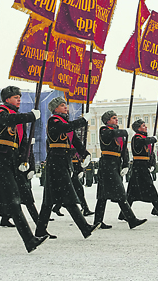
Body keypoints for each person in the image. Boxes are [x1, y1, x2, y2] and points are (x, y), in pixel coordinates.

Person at [0, 86, 48, 252]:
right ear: (7, 99)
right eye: (16, 97)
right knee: (14, 200)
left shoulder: (16, 118)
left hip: (8, 161)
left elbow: (20, 143)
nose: (19, 100)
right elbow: (8, 120)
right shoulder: (1, 111)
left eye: (20, 97)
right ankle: (29, 240)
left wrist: (24, 160)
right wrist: (30, 116)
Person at [34, 97, 99, 240]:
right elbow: (66, 128)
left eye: (65, 105)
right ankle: (85, 227)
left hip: (63, 160)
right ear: (55, 109)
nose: (66, 107)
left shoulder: (65, 122)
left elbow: (75, 141)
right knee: (68, 195)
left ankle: (40, 231)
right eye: (62, 105)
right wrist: (83, 121)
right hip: (55, 161)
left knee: (49, 200)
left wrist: (85, 154)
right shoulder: (54, 121)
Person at [93, 110, 146, 230]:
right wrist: (123, 132)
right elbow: (110, 134)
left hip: (115, 163)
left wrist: (126, 164)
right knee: (120, 193)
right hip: (107, 163)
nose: (116, 120)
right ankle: (131, 220)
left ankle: (98, 221)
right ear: (107, 121)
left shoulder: (120, 134)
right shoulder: (104, 130)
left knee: (103, 195)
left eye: (116, 118)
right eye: (113, 118)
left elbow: (124, 151)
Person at [124, 119, 158, 222]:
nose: (146, 127)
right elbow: (143, 141)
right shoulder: (136, 138)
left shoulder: (143, 138)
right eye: (143, 125)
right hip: (139, 167)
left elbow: (149, 153)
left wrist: (151, 163)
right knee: (151, 190)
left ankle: (123, 214)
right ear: (138, 128)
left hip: (142, 166)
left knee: (132, 193)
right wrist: (152, 139)